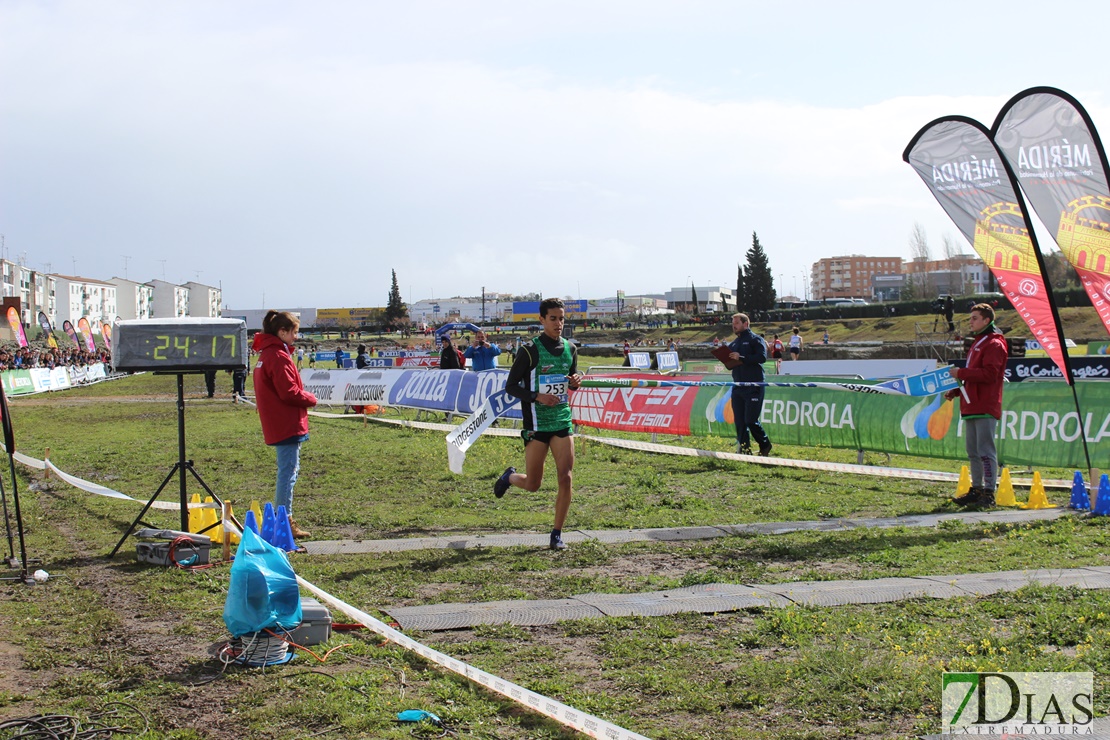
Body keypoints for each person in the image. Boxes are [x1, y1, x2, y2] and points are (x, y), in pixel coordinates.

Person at [493, 298, 583, 550]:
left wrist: (576, 380)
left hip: (562, 422)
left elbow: (571, 381)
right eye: (553, 319)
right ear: (542, 320)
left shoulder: (570, 348)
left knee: (565, 478)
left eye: (562, 318)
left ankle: (556, 534)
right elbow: (511, 386)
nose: (558, 323)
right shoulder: (529, 350)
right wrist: (537, 396)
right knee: (534, 484)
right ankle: (510, 477)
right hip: (536, 423)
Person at [252, 310, 318, 539]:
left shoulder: (267, 355)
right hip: (286, 422)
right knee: (288, 472)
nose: (296, 337)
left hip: (278, 420)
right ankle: (285, 520)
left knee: (287, 470)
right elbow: (289, 392)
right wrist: (311, 399)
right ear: (282, 332)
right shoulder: (277, 357)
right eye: (294, 332)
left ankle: (284, 518)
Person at [945, 303, 1008, 509]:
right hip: (970, 405)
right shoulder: (978, 342)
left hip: (985, 404)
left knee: (985, 450)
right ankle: (977, 489)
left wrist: (961, 373)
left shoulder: (994, 344)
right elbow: (973, 375)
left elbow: (990, 374)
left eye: (974, 318)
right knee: (972, 451)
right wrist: (956, 391)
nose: (970, 321)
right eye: (970, 317)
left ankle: (989, 493)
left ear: (986, 320)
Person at [727, 313, 772, 456]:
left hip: (754, 385)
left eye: (737, 323)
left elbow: (762, 357)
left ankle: (765, 444)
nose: (734, 326)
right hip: (738, 386)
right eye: (733, 323)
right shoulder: (733, 344)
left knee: (751, 420)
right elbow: (731, 365)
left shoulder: (756, 339)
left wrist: (742, 357)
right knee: (740, 422)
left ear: (745, 324)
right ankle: (745, 451)